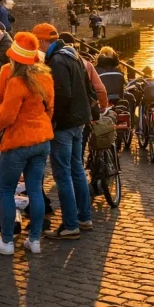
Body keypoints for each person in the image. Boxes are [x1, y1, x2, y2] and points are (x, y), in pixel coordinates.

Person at [0, 32, 54, 256]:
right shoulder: (46, 77)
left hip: (19, 141)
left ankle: (6, 242)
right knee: (35, 189)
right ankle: (34, 240)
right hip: (42, 139)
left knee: (5, 190)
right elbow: (50, 108)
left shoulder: (16, 81)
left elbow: (7, 116)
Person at [33, 22, 93, 239]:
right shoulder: (72, 54)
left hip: (65, 125)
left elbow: (61, 95)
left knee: (62, 173)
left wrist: (52, 121)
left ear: (41, 41)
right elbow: (86, 86)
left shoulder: (57, 61)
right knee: (77, 169)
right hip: (79, 121)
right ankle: (84, 217)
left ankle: (70, 225)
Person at [60, 32, 107, 110]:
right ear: (74, 47)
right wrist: (103, 107)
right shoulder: (86, 64)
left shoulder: (52, 62)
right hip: (83, 109)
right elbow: (100, 90)